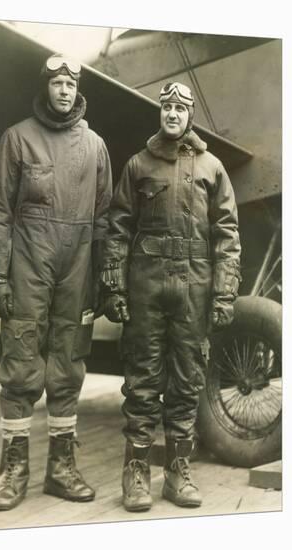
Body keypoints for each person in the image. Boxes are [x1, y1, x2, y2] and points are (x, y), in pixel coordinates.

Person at [101, 82, 241, 511]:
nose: (173, 114)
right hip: (147, 287)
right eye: (167, 108)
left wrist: (224, 295)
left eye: (181, 108)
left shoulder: (213, 168)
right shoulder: (139, 165)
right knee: (142, 381)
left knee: (186, 380)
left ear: (190, 114)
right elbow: (118, 227)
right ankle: (137, 472)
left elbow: (227, 235)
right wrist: (114, 286)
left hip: (194, 289)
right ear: (160, 113)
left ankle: (177, 472)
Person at [0, 54, 112, 511]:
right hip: (27, 269)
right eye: (56, 82)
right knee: (20, 364)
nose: (63, 90)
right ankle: (13, 470)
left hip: (77, 271)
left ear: (78, 90)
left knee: (68, 363)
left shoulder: (95, 146)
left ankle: (61, 468)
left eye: (69, 84)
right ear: (46, 87)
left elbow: (102, 219)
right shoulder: (17, 139)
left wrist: (101, 277)